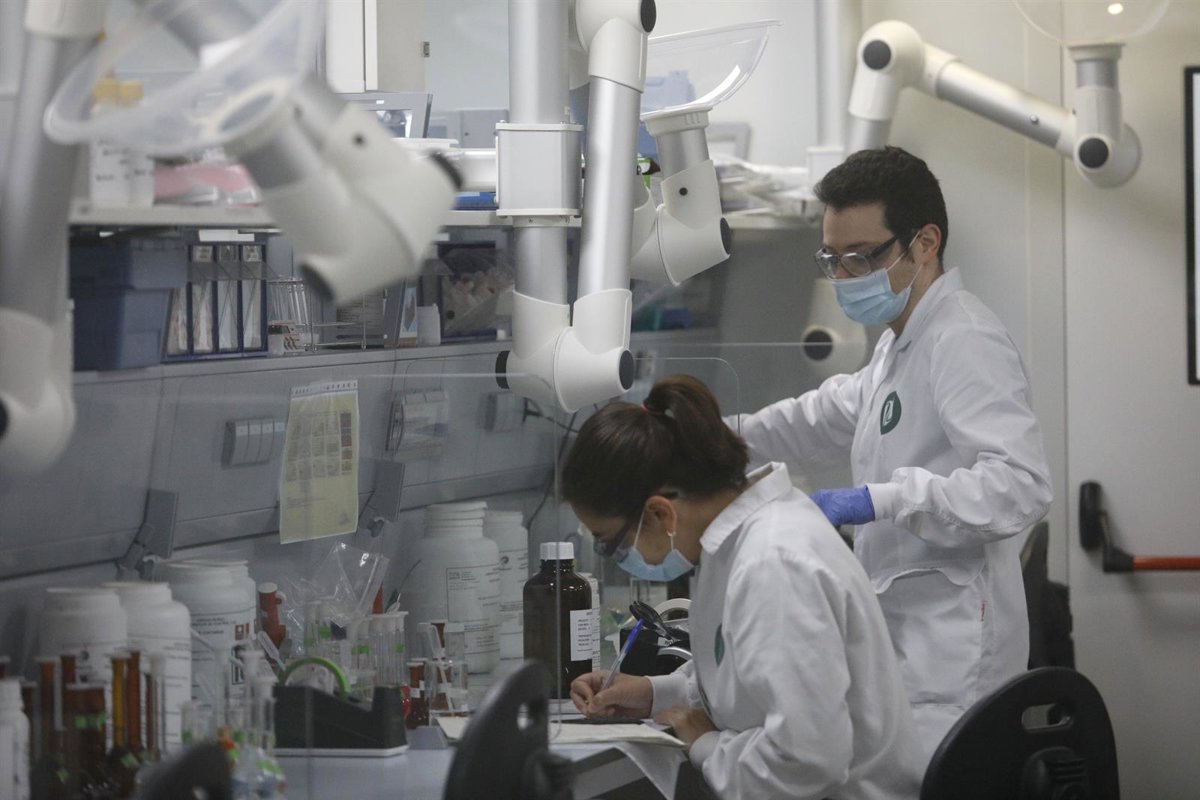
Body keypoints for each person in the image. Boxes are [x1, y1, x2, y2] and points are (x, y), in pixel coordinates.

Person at [730, 146, 1053, 757]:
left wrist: (881, 500)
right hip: (914, 657)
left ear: (925, 243)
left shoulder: (963, 337)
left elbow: (1020, 486)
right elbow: (822, 414)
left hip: (955, 667)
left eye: (861, 257)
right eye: (832, 260)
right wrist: (721, 436)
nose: (844, 277)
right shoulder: (902, 344)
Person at [562, 374, 924, 800]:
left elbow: (808, 760)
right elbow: (745, 681)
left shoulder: (774, 564)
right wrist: (653, 693)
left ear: (660, 514)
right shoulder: (732, 543)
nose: (618, 556)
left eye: (611, 542)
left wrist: (707, 746)